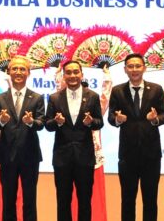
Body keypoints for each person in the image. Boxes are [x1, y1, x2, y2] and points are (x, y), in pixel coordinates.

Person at [107, 53, 164, 221]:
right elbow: (111, 117)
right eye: (130, 66)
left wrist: (155, 119)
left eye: (137, 66)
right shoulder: (118, 90)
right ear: (125, 69)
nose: (134, 70)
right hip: (127, 155)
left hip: (151, 155)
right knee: (127, 200)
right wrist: (117, 120)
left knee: (150, 200)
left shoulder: (156, 89)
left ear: (144, 68)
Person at [45, 60, 104, 221]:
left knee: (85, 201)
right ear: (63, 76)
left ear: (81, 74)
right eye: (68, 72)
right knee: (63, 201)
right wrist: (56, 122)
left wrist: (91, 122)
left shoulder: (92, 96)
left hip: (85, 157)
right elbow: (47, 125)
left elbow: (100, 122)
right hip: (62, 158)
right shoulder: (55, 98)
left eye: (75, 72)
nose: (72, 76)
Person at [0, 55, 45, 221]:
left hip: (30, 156)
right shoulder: (0, 98)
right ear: (9, 72)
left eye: (22, 69)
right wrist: (2, 120)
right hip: (7, 155)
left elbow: (41, 123)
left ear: (28, 73)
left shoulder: (36, 97)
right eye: (15, 68)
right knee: (8, 200)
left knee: (30, 200)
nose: (18, 72)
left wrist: (30, 122)